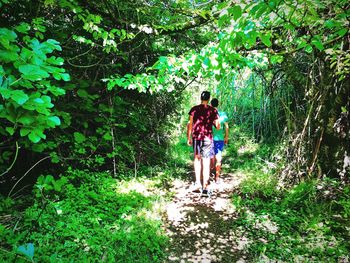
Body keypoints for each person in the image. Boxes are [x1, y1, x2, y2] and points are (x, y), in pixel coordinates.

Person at [187, 91, 219, 195]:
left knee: (197, 159)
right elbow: (218, 126)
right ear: (209, 99)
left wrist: (189, 137)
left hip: (197, 137)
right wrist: (214, 121)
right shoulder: (213, 110)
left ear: (200, 98)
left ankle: (197, 184)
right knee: (206, 161)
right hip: (208, 138)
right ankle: (205, 186)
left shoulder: (194, 109)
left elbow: (190, 124)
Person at [210, 98, 229, 184]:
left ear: (211, 104)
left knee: (211, 156)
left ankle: (211, 172)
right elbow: (227, 126)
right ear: (218, 104)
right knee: (218, 157)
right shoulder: (223, 114)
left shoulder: (209, 114)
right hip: (220, 139)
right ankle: (217, 177)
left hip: (210, 139)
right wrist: (226, 137)